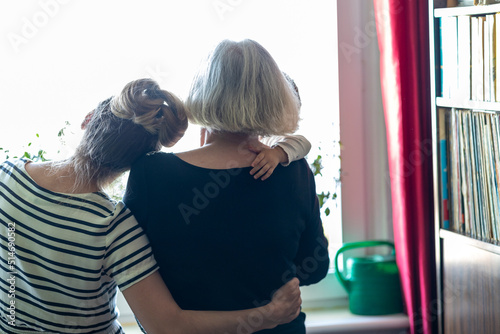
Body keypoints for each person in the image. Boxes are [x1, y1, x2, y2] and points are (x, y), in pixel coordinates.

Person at [0, 78, 303, 334]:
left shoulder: (7, 176)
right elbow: (167, 326)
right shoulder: (113, 226)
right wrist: (269, 314)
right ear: (140, 160)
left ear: (88, 118)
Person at [123, 39, 330, 333]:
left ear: (201, 92)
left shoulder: (152, 174)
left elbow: (133, 275)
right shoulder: (292, 170)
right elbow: (316, 265)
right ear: (275, 96)